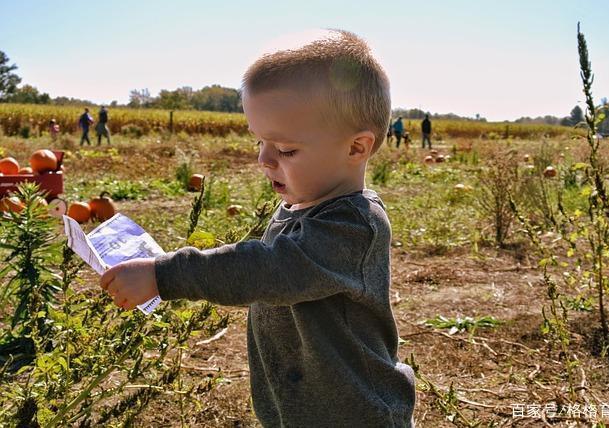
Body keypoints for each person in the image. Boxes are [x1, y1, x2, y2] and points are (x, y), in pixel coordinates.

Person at [99, 29, 416, 427]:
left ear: (356, 148)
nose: (265, 159)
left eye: (285, 149)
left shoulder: (353, 224)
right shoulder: (297, 208)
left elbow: (271, 270)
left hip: (358, 414)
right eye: (260, 142)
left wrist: (165, 274)